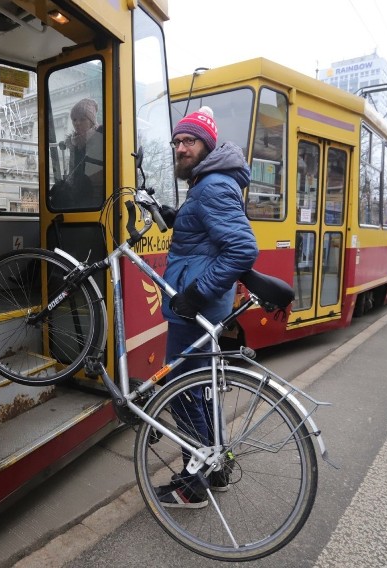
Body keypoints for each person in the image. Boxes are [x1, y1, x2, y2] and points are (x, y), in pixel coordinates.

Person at [156, 106, 258, 509]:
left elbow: (242, 248)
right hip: (201, 307)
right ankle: (217, 469)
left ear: (207, 145)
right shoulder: (208, 183)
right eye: (178, 141)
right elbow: (208, 235)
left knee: (181, 393)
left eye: (189, 141)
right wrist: (177, 218)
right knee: (200, 392)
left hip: (195, 308)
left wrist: (197, 292)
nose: (181, 148)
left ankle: (193, 484)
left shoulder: (212, 185)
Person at [53, 98, 104, 208]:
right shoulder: (74, 143)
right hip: (78, 195)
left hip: (97, 198)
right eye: (74, 119)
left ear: (91, 121)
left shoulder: (100, 138)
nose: (77, 123)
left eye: (82, 119)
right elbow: (73, 171)